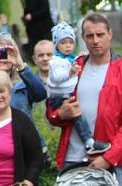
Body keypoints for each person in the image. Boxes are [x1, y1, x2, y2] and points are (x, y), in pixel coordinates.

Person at [47, 13, 122, 186]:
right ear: (83, 38)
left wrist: (108, 158)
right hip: (72, 158)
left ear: (110, 34)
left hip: (108, 161)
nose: (95, 40)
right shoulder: (73, 66)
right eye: (90, 36)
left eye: (100, 34)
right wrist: (60, 114)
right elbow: (52, 106)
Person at [48, 22, 110, 156]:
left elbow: (73, 61)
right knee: (77, 117)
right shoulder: (55, 61)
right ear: (56, 45)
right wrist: (70, 72)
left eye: (70, 42)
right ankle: (89, 142)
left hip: (67, 95)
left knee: (78, 117)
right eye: (63, 43)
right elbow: (56, 77)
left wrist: (79, 58)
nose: (68, 46)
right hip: (60, 97)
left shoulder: (69, 59)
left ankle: (89, 141)